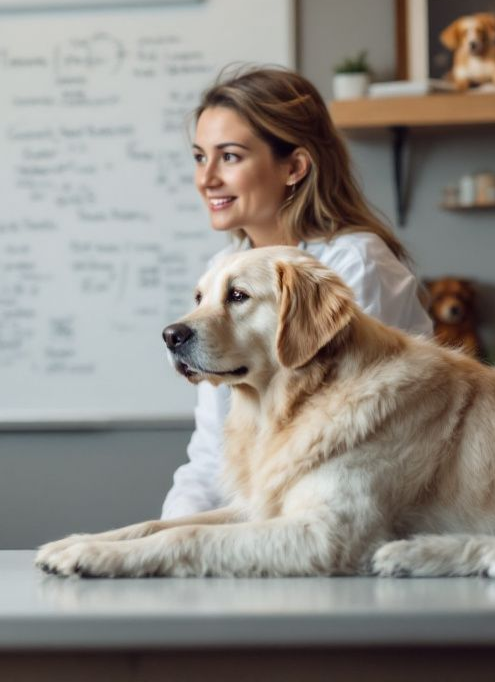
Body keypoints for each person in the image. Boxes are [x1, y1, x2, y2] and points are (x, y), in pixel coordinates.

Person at [161, 67, 433, 520]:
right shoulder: (219, 273)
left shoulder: (354, 267)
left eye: (228, 157)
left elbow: (337, 448)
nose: (206, 178)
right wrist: (167, 538)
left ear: (294, 167)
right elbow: (212, 456)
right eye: (198, 157)